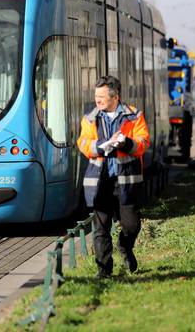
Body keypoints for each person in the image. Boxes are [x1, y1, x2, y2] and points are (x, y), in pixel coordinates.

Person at [77, 76, 150, 278]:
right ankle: (104, 269)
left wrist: (125, 143)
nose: (97, 100)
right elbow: (83, 143)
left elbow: (143, 142)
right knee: (100, 228)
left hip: (126, 181)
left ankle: (125, 247)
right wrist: (99, 146)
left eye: (101, 96)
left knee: (131, 225)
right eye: (96, 96)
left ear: (115, 97)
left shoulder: (134, 116)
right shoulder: (90, 118)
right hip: (100, 181)